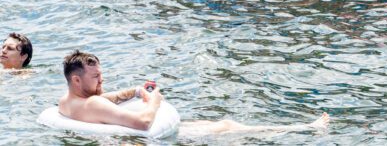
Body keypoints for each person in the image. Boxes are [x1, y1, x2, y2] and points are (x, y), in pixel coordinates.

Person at [57, 50, 330, 136]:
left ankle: (302, 127)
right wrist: (155, 100)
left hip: (127, 136)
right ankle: (305, 128)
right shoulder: (92, 104)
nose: (101, 81)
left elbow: (102, 101)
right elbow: (142, 122)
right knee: (227, 126)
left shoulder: (68, 101)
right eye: (96, 77)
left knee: (211, 124)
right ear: (78, 79)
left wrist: (135, 91)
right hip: (148, 139)